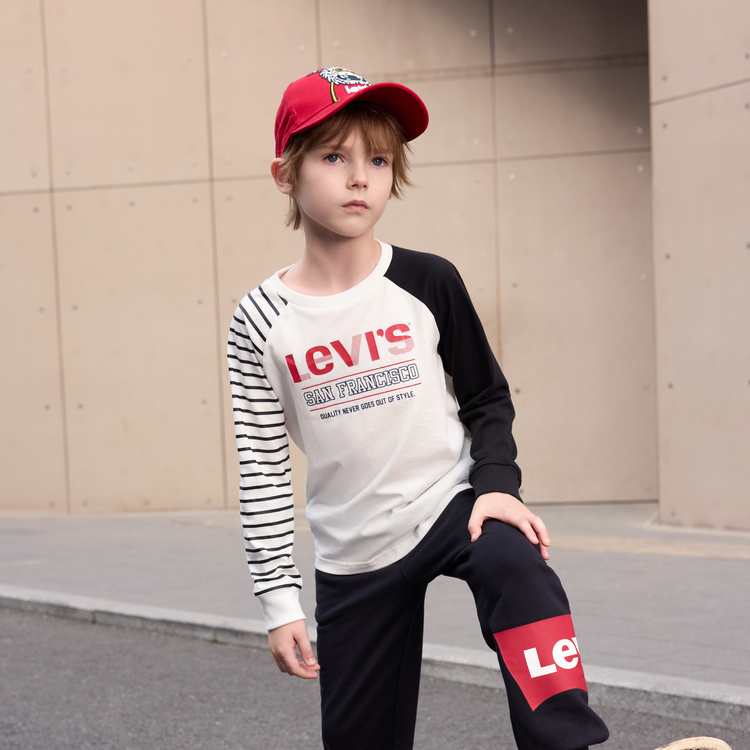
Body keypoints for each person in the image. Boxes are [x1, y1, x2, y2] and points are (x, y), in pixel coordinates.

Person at [227, 67, 609, 750]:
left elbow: (486, 396)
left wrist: (498, 487)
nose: (360, 178)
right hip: (355, 549)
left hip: (450, 506)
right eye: (334, 157)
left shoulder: (428, 279)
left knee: (517, 564)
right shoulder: (260, 319)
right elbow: (261, 468)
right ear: (285, 174)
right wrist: (279, 603)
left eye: (378, 160)